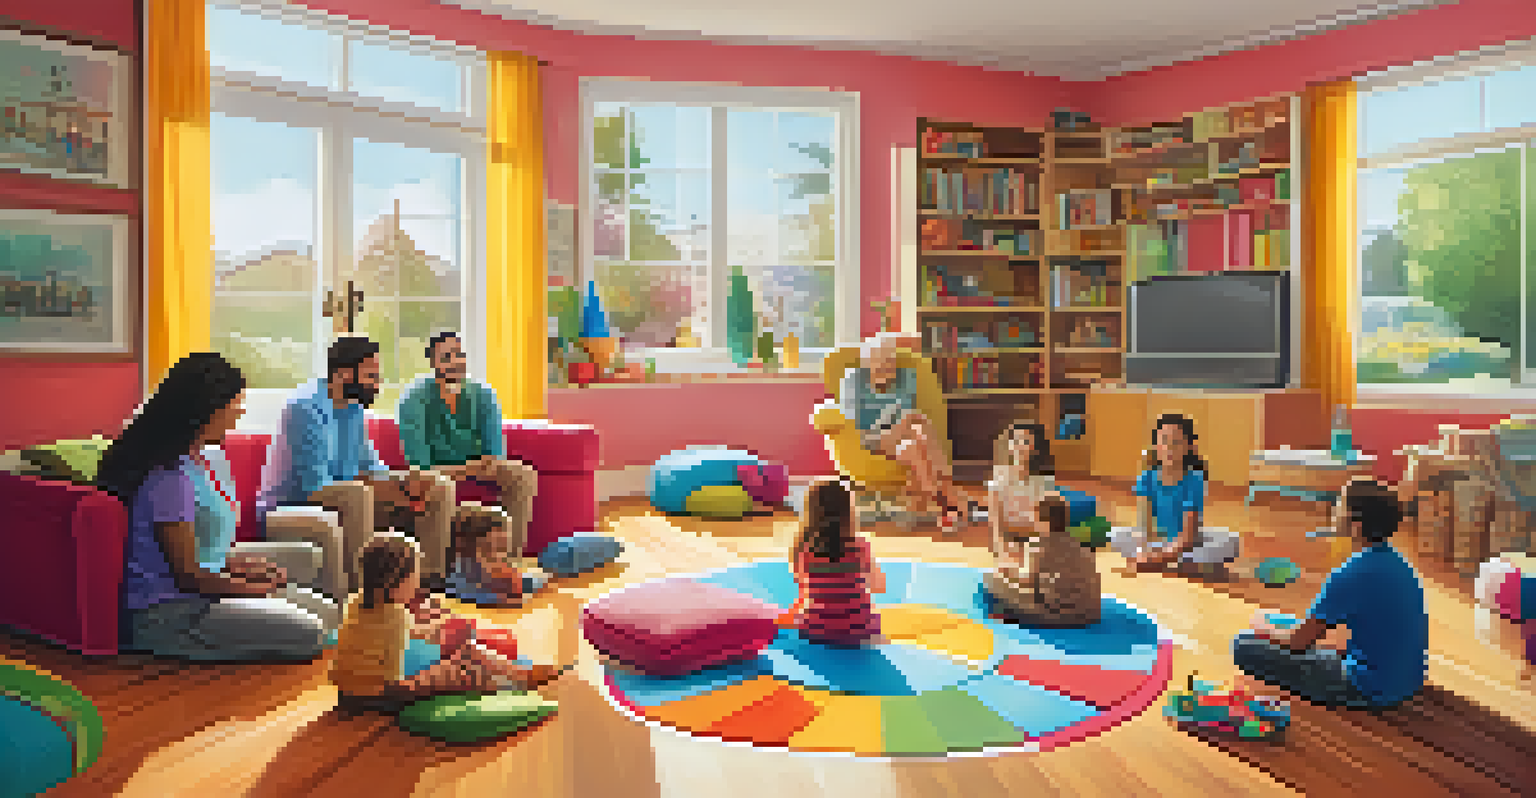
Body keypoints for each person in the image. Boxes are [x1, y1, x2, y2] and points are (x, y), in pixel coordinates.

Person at [96, 352, 338, 661]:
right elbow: (189, 577)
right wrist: (252, 589)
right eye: (234, 408)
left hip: (202, 595)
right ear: (207, 411)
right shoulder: (169, 476)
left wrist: (241, 570)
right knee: (312, 632)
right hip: (172, 614)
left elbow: (200, 556)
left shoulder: (198, 461)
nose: (238, 417)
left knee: (330, 613)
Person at [259, 335, 453, 595]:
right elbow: (314, 487)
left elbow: (371, 467)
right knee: (355, 494)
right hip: (290, 507)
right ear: (342, 375)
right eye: (371, 376)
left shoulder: (353, 408)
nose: (378, 384)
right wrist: (378, 486)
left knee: (437, 487)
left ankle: (424, 587)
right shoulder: (305, 408)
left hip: (348, 501)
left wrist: (406, 485)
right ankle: (362, 596)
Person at [1233, 478, 1428, 708]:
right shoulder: (1398, 562)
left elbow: (1298, 643)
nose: (1334, 511)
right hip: (1408, 680)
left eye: (1339, 505)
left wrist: (1266, 632)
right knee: (1280, 619)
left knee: (1242, 645)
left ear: (1356, 524)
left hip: (1366, 686)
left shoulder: (1352, 572)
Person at [331, 533, 565, 714]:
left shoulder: (358, 600)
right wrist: (435, 665)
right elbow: (395, 675)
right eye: (414, 578)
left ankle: (520, 675)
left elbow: (386, 636)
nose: (417, 585)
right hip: (382, 694)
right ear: (395, 584)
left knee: (463, 654)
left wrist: (434, 628)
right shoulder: (396, 618)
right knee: (462, 665)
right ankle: (516, 681)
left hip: (346, 691)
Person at [397, 332, 539, 523]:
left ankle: (510, 551)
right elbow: (421, 466)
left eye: (459, 354)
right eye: (446, 357)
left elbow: (495, 455)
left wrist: (473, 467)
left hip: (478, 469)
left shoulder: (484, 395)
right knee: (428, 478)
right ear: (433, 364)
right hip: (437, 472)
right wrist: (469, 467)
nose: (455, 362)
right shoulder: (414, 399)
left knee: (523, 475)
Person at [842, 332, 971, 531]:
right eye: (882, 360)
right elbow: (854, 421)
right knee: (914, 419)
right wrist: (893, 423)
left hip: (904, 435)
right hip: (871, 436)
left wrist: (901, 423)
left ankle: (930, 502)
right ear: (867, 362)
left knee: (914, 442)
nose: (888, 365)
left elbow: (905, 419)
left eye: (891, 359)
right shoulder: (853, 381)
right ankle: (947, 490)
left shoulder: (906, 377)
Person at [1108, 414, 1240, 575]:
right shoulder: (1146, 478)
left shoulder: (1195, 480)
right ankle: (1181, 565)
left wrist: (1162, 556)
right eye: (1164, 441)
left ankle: (1168, 563)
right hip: (1156, 541)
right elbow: (1145, 525)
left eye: (1176, 442)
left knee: (1230, 540)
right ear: (1156, 446)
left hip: (1186, 544)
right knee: (1115, 535)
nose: (1169, 448)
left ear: (1188, 447)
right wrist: (1146, 549)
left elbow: (1188, 535)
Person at [784, 477, 887, 646]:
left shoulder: (802, 548)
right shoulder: (860, 546)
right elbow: (879, 586)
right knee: (875, 616)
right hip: (860, 630)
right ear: (849, 512)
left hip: (816, 630)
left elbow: (803, 587)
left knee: (798, 613)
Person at [987, 495, 1101, 627]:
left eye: (1036, 519)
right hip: (1090, 613)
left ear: (1044, 521)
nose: (1033, 523)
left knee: (993, 580)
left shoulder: (1038, 544)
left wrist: (1006, 572)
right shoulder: (1079, 543)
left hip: (1056, 614)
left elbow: (1026, 580)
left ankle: (1011, 616)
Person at [444, 503, 549, 607]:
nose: (499, 558)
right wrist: (498, 599)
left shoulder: (499, 567)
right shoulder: (462, 572)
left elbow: (529, 582)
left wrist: (535, 581)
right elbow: (459, 594)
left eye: (503, 550)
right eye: (489, 550)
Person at [986, 422, 1057, 545]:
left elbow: (1044, 520)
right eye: (1015, 440)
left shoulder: (1044, 480)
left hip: (1033, 534)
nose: (1018, 446)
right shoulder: (1000, 475)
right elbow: (995, 515)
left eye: (1025, 441)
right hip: (1009, 532)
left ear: (1035, 448)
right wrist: (1001, 544)